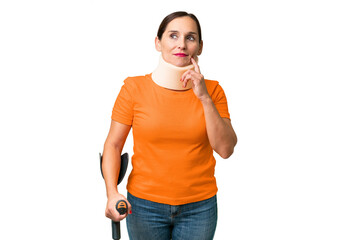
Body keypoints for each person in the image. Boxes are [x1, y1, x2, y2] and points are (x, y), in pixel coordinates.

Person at [102, 11, 237, 240]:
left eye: (190, 38)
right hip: (144, 205)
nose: (181, 44)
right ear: (158, 42)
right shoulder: (133, 89)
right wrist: (112, 193)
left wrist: (203, 97)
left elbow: (225, 150)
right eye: (173, 36)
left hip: (199, 207)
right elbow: (113, 145)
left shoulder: (213, 91)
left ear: (200, 47)